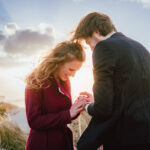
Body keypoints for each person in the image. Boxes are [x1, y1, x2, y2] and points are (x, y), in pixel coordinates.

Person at [72, 12, 150, 150]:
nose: (90, 48)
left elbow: (103, 109)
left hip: (124, 137)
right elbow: (133, 92)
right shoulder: (140, 48)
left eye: (87, 41)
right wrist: (97, 98)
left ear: (96, 32)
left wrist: (87, 106)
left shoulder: (104, 47)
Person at [25, 41, 86, 150]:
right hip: (43, 144)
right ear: (58, 62)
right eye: (71, 69)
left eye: (76, 71)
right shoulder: (35, 79)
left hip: (63, 142)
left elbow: (65, 113)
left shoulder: (65, 80)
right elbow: (34, 121)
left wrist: (77, 108)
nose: (73, 75)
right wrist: (68, 114)